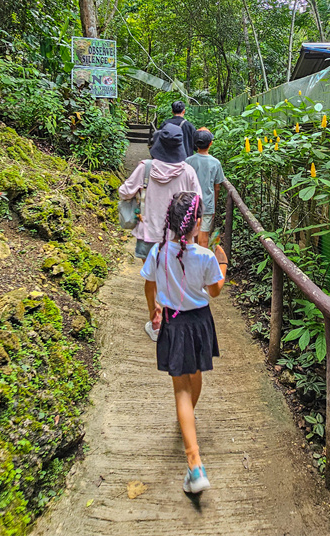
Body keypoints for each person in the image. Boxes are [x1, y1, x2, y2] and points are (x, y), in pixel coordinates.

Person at [141, 191, 228, 494]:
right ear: (197, 222)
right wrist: (224, 268)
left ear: (170, 221)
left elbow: (149, 284)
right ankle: (187, 420)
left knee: (180, 389)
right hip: (201, 322)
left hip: (174, 323)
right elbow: (215, 292)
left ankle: (195, 463)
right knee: (196, 375)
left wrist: (154, 309)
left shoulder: (158, 252)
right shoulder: (205, 256)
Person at [119, 123, 201, 340]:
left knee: (152, 278)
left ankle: (156, 324)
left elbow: (124, 192)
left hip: (149, 233)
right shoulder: (188, 171)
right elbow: (196, 203)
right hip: (178, 236)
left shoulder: (145, 168)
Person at [185, 128, 226, 247]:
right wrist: (214, 204)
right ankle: (201, 262)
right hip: (207, 204)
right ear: (210, 144)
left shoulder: (188, 161)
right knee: (204, 236)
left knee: (192, 235)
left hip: (191, 203)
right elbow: (217, 187)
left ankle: (190, 261)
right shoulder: (216, 163)